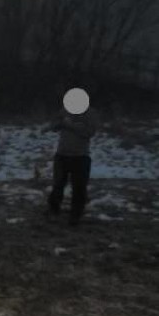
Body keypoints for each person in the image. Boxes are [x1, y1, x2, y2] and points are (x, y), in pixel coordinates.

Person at [46, 95, 100, 226]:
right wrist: (61, 123)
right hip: (62, 155)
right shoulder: (65, 110)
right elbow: (53, 126)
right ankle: (53, 211)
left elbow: (89, 132)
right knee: (58, 185)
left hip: (80, 156)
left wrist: (71, 125)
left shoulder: (90, 113)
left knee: (79, 188)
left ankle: (75, 216)